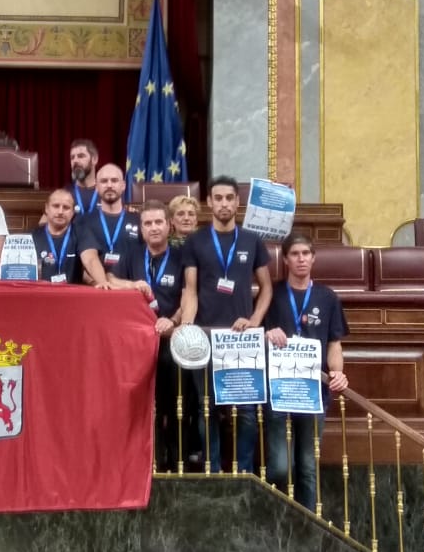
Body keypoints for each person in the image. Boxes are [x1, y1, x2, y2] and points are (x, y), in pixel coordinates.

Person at [180, 175, 273, 472]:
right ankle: (213, 469)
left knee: (246, 411)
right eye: (217, 198)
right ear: (209, 202)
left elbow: (267, 288)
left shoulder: (251, 240)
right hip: (206, 336)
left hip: (241, 339)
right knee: (207, 408)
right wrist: (188, 326)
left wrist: (255, 321)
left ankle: (244, 471)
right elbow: (190, 290)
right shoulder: (195, 241)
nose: (223, 203)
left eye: (229, 198)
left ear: (237, 202)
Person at [262, 233, 350, 511]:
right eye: (295, 254)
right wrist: (266, 333)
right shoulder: (272, 294)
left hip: (313, 392)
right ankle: (278, 522)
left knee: (308, 467)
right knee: (278, 467)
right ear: (285, 259)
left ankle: (307, 527)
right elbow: (254, 331)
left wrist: (338, 373)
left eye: (305, 253)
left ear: (313, 257)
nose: (301, 259)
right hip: (278, 389)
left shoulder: (327, 297)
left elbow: (334, 342)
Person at [114, 202, 194, 470]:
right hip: (138, 344)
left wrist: (172, 321)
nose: (153, 228)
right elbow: (111, 281)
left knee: (173, 406)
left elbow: (190, 296)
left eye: (158, 222)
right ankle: (144, 461)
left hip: (171, 342)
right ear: (141, 228)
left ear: (169, 225)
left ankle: (174, 461)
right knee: (141, 406)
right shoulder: (132, 255)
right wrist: (131, 284)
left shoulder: (183, 256)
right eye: (147, 223)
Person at [78, 163, 141, 286]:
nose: (109, 185)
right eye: (104, 181)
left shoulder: (138, 220)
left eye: (114, 180)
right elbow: (87, 260)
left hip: (132, 291)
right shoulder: (83, 221)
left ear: (123, 185)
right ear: (96, 187)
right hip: (97, 290)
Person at [29, 188, 82, 283]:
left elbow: (90, 261)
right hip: (41, 294)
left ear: (73, 212)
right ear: (46, 208)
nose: (60, 212)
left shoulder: (81, 235)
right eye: (56, 206)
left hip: (73, 295)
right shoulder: (32, 237)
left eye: (66, 207)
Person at [68, 138, 100, 216]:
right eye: (72, 157)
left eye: (81, 156)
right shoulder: (64, 193)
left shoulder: (107, 192)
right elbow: (43, 224)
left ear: (94, 159)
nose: (75, 161)